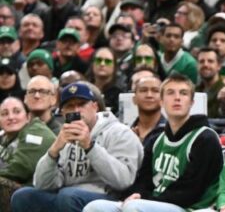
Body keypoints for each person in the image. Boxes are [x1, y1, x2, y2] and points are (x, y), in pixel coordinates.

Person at [82, 74, 224, 212]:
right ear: (161, 101)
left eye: (183, 93)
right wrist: (138, 195)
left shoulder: (205, 138)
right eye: (170, 93)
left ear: (191, 102)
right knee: (95, 207)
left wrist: (146, 200)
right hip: (154, 202)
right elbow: (143, 180)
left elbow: (191, 191)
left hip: (192, 207)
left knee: (134, 207)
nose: (177, 98)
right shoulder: (157, 139)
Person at [11, 83, 143, 212]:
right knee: (22, 196)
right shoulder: (65, 136)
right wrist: (54, 151)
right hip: (67, 197)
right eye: (70, 106)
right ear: (62, 113)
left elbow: (123, 181)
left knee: (68, 196)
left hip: (109, 199)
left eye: (81, 104)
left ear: (95, 106)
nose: (76, 110)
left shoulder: (119, 133)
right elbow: (42, 185)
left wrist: (90, 147)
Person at [0, 96, 56, 208]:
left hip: (43, 194)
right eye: (4, 114)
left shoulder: (37, 132)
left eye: (17, 112)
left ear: (28, 116)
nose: (11, 117)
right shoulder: (5, 138)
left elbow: (20, 169)